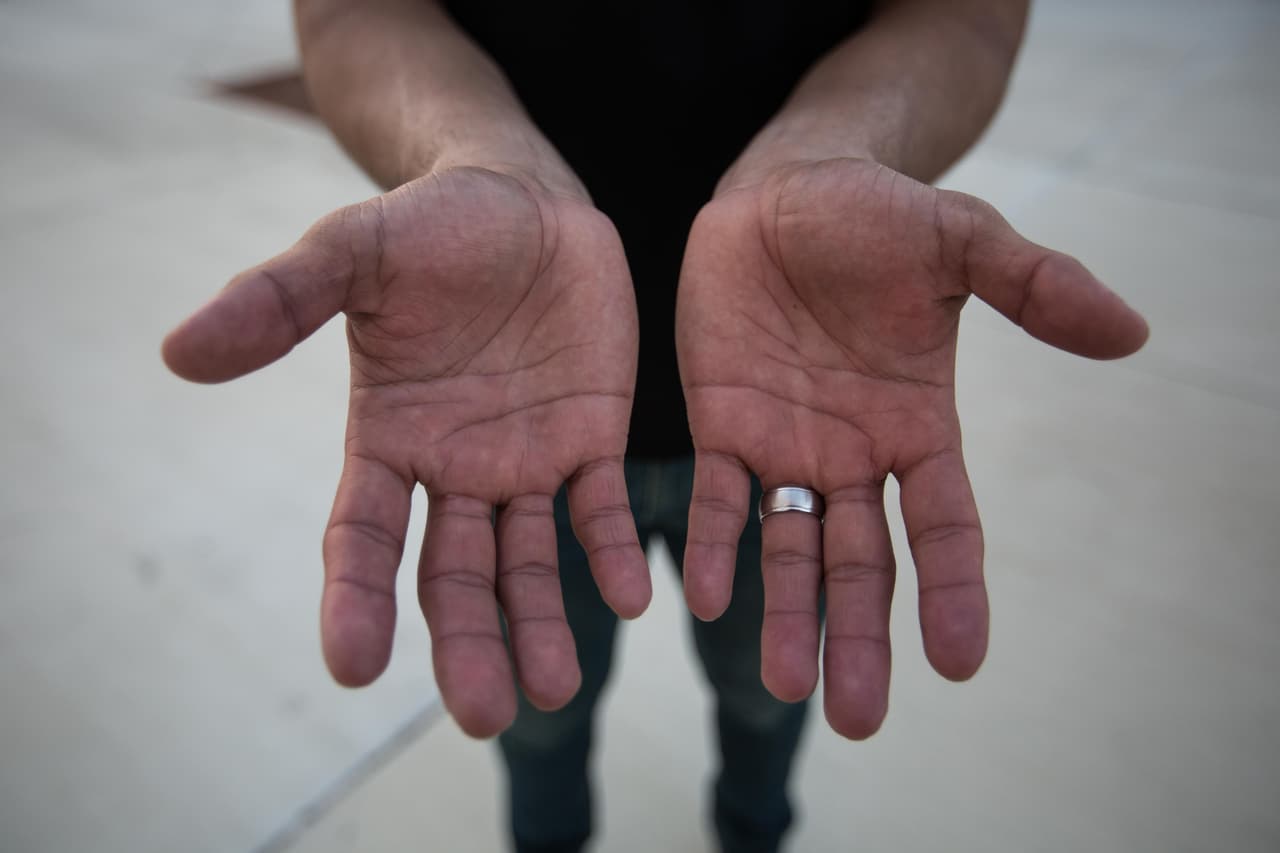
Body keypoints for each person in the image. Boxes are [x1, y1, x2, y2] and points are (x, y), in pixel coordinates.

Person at [162, 1, 1150, 850]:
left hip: (799, 419)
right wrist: (471, 154)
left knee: (769, 694)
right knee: (539, 713)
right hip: (509, 420)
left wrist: (834, 145)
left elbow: (961, 13)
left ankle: (751, 831)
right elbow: (355, 11)